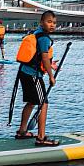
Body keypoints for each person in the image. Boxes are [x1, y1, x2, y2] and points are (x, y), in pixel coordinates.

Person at [15, 11, 59, 146]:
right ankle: (41, 138)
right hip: (33, 75)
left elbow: (38, 56)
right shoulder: (44, 38)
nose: (52, 25)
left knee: (32, 101)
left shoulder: (37, 33)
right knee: (43, 103)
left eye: (54, 23)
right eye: (49, 22)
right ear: (42, 23)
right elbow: (44, 57)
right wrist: (51, 76)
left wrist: (50, 65)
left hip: (24, 72)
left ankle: (22, 131)